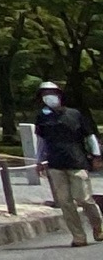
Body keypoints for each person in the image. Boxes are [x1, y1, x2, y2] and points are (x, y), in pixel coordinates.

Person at [34, 80, 103, 247]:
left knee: (84, 198)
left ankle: (98, 226)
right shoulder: (42, 118)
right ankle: (78, 236)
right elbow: (41, 142)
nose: (48, 97)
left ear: (59, 95)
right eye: (44, 94)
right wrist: (39, 161)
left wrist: (96, 155)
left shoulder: (75, 114)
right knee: (65, 202)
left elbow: (89, 136)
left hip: (77, 161)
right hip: (55, 164)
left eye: (51, 93)